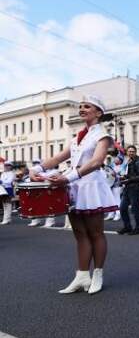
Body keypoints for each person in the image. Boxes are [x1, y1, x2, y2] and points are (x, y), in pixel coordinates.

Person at [29, 96, 117, 294]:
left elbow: (96, 162)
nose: (82, 109)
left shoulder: (102, 135)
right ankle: (82, 276)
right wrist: (37, 168)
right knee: (79, 233)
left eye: (87, 106)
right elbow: (59, 157)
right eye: (80, 106)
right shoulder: (79, 136)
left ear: (98, 113)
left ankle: (98, 274)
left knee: (95, 233)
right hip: (74, 184)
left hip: (90, 185)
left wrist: (69, 178)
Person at [117, 145, 139, 235]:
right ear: (127, 152)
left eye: (133, 151)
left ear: (135, 152)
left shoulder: (138, 162)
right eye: (129, 151)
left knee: (135, 209)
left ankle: (138, 228)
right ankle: (127, 227)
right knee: (122, 208)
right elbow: (131, 174)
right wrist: (124, 177)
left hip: (135, 189)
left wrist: (129, 179)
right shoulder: (130, 161)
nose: (131, 153)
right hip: (128, 188)